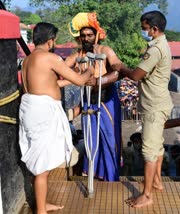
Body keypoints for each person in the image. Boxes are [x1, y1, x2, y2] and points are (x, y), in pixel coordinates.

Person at [19, 22, 93, 214]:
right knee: (42, 167)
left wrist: (73, 76)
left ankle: (42, 205)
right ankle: (41, 211)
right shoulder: (50, 58)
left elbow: (50, 83)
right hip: (43, 113)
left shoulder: (28, 60)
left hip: (32, 110)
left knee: (41, 163)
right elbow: (79, 81)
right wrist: (89, 71)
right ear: (51, 41)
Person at [118, 11, 173, 208]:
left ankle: (147, 195)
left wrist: (120, 67)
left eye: (145, 29)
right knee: (157, 147)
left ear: (154, 29)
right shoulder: (162, 45)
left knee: (149, 151)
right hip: (158, 104)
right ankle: (156, 182)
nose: (144, 32)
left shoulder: (156, 49)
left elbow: (136, 76)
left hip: (154, 108)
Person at [65, 12, 122, 181]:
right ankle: (95, 177)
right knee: (91, 140)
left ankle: (111, 178)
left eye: (90, 35)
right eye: (83, 36)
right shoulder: (77, 56)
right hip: (88, 102)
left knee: (110, 141)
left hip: (107, 101)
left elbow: (118, 71)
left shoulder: (106, 51)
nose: (86, 38)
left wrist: (98, 81)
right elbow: (61, 67)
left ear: (97, 35)